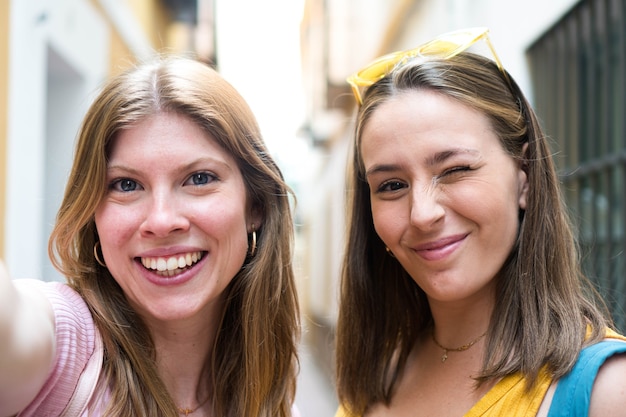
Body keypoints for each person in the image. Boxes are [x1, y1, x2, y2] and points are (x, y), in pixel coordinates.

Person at [334, 27, 626, 417]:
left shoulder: (607, 390)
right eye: (391, 185)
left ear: (524, 177)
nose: (422, 213)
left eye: (455, 170)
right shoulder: (376, 373)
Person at [0, 55, 300, 417]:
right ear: (92, 214)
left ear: (256, 207)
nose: (161, 220)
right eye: (126, 185)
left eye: (200, 178)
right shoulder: (66, 352)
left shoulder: (275, 402)